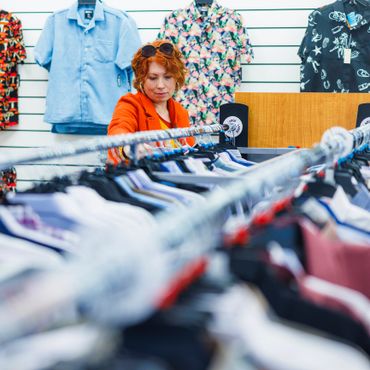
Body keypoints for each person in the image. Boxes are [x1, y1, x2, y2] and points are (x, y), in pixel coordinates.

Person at [107, 40, 194, 164]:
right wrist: (128, 148)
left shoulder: (180, 112)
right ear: (141, 78)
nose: (160, 85)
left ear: (177, 78)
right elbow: (119, 130)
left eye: (168, 77)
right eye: (153, 78)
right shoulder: (130, 104)